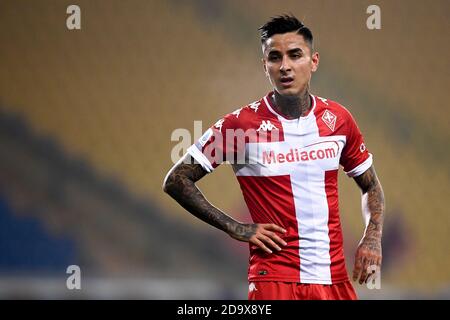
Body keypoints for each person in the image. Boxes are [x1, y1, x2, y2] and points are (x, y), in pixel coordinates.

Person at [163, 14, 385, 300]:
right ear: (265, 66)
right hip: (275, 281)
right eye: (274, 58)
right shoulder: (240, 125)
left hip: (333, 279)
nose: (285, 67)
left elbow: (371, 186)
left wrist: (373, 237)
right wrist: (235, 227)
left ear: (313, 61)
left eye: (295, 55)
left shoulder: (338, 121)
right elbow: (176, 179)